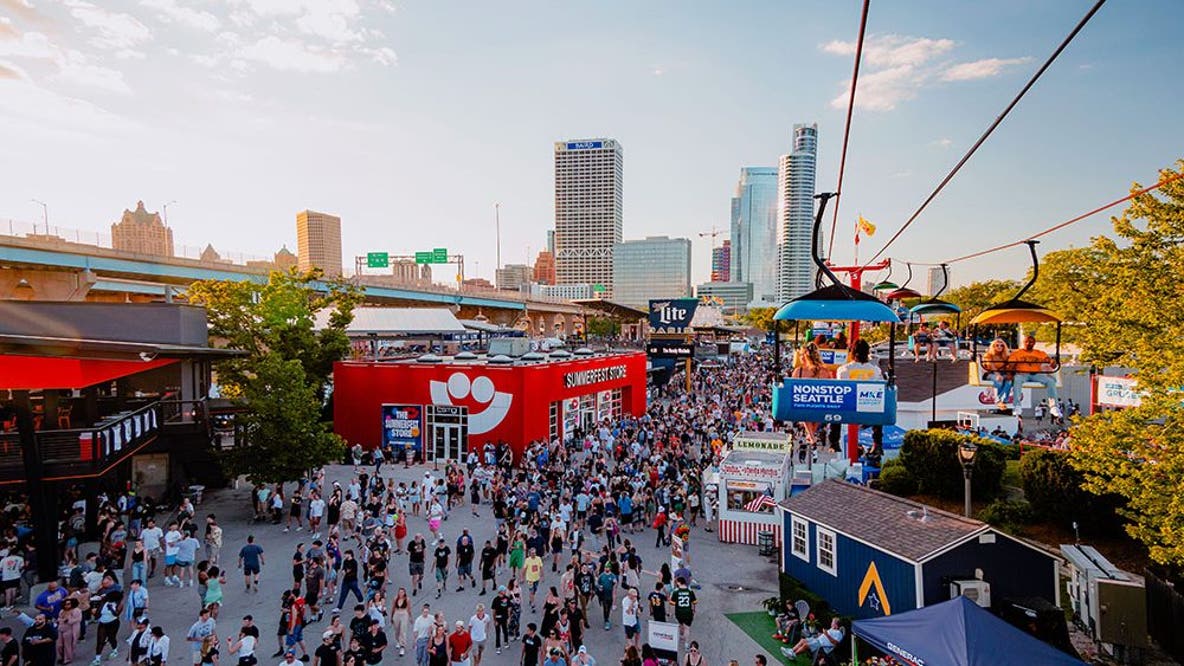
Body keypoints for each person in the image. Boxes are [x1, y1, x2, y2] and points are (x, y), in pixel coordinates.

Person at [1007, 334, 1063, 418]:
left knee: (1050, 381)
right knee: (1017, 380)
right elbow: (1010, 365)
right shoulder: (1017, 353)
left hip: (1036, 374)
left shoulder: (1039, 353)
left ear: (1034, 343)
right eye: (1026, 342)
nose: (1028, 343)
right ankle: (1017, 406)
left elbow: (1050, 363)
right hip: (1022, 373)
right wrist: (1011, 369)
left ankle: (1054, 406)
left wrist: (1052, 362)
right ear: (1023, 342)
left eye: (1031, 342)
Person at [791, 342, 834, 444]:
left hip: (804, 405)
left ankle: (810, 435)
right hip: (821, 405)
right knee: (815, 412)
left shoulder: (799, 371)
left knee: (804, 409)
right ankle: (811, 435)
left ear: (804, 356)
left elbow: (791, 389)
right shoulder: (825, 371)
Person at [980, 338, 1015, 409]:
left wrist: (1008, 374)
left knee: (1009, 381)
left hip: (1002, 373)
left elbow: (1008, 366)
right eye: (997, 345)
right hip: (990, 373)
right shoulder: (988, 355)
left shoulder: (1005, 356)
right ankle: (998, 400)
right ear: (993, 346)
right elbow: (991, 365)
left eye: (1002, 345)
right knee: (998, 380)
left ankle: (1003, 400)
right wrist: (997, 374)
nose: (999, 347)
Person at [669, 577, 696, 648]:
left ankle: (681, 635)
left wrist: (671, 613)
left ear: (679, 582)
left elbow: (672, 604)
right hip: (688, 612)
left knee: (681, 624)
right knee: (687, 628)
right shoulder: (690, 591)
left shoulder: (676, 592)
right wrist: (693, 610)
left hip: (679, 612)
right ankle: (686, 643)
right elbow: (694, 602)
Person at [56, 597, 82, 664]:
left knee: (68, 645)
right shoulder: (62, 611)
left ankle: (67, 659)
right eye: (65, 604)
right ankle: (61, 657)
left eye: (68, 604)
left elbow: (78, 619)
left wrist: (69, 620)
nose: (67, 606)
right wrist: (60, 620)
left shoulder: (76, 610)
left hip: (70, 629)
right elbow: (59, 618)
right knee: (59, 645)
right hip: (61, 628)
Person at [389, 588, 412, 658]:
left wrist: (410, 617)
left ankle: (402, 646)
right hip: (397, 613)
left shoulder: (407, 599)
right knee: (397, 630)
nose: (401, 593)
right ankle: (398, 641)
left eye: (402, 592)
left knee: (403, 630)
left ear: (404, 593)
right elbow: (393, 608)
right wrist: (391, 616)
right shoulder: (395, 598)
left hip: (404, 613)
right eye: (400, 592)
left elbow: (409, 609)